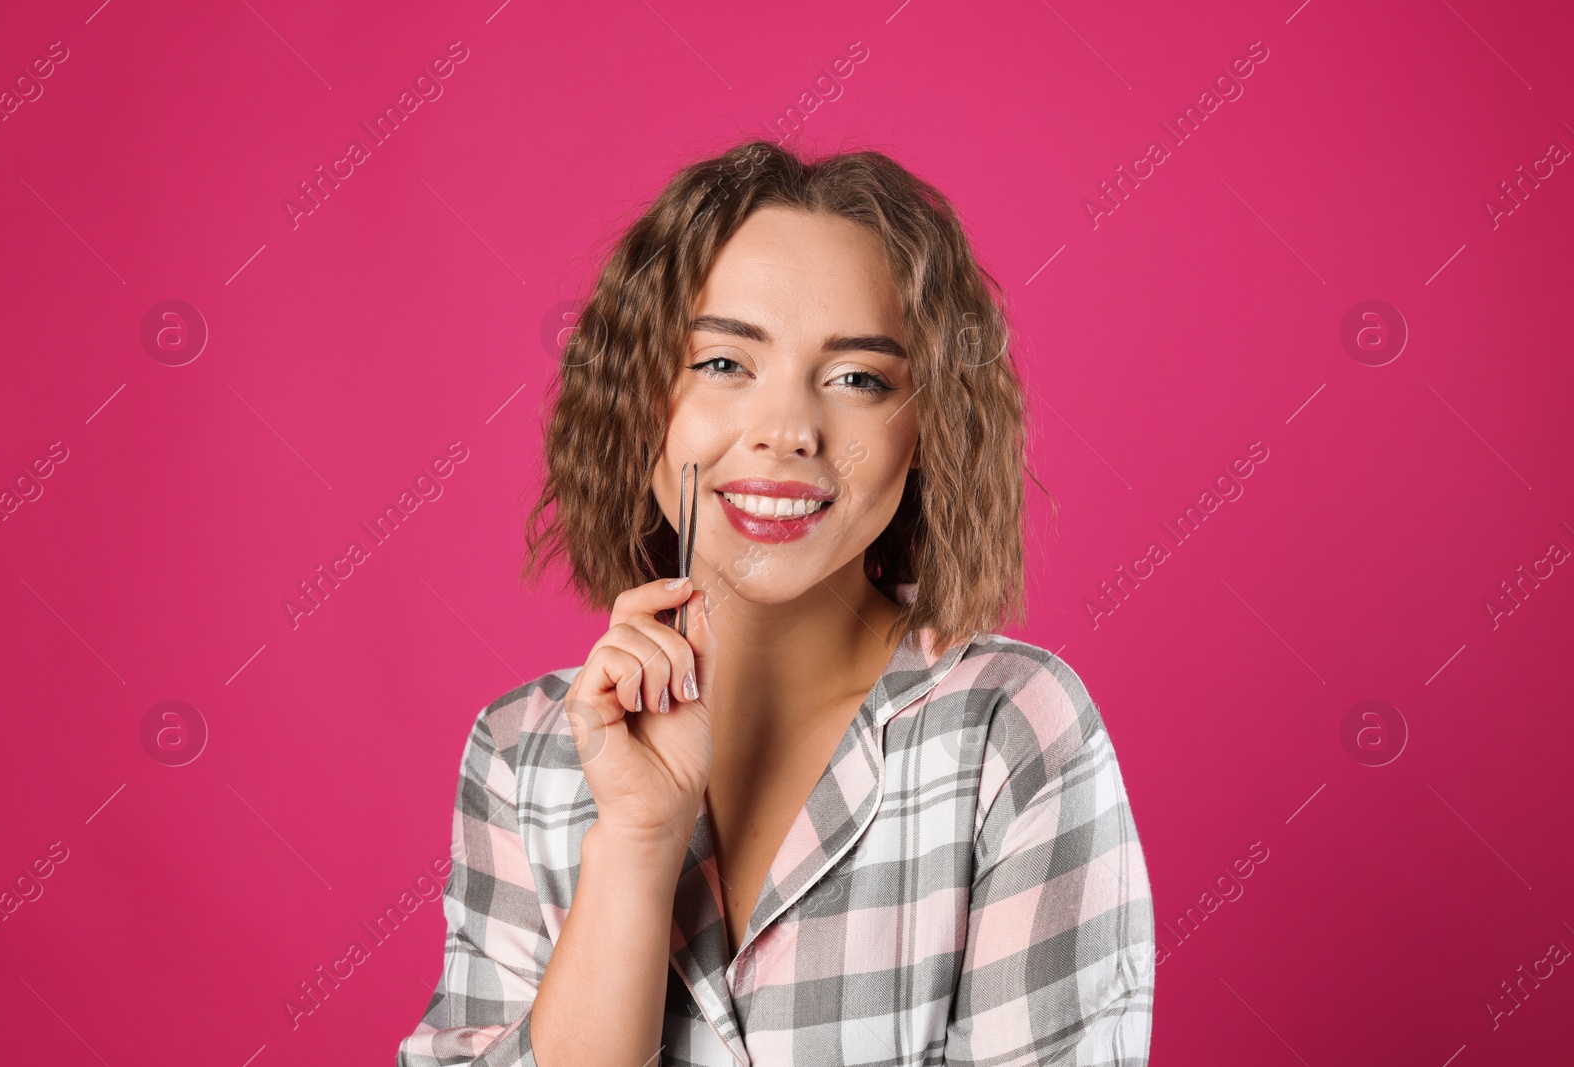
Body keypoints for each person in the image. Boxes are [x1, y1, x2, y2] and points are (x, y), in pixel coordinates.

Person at [396, 138, 1154, 1066]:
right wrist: (637, 847)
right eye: (722, 363)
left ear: (927, 431)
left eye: (859, 379)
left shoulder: (1008, 731)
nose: (790, 430)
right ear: (640, 400)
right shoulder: (521, 756)